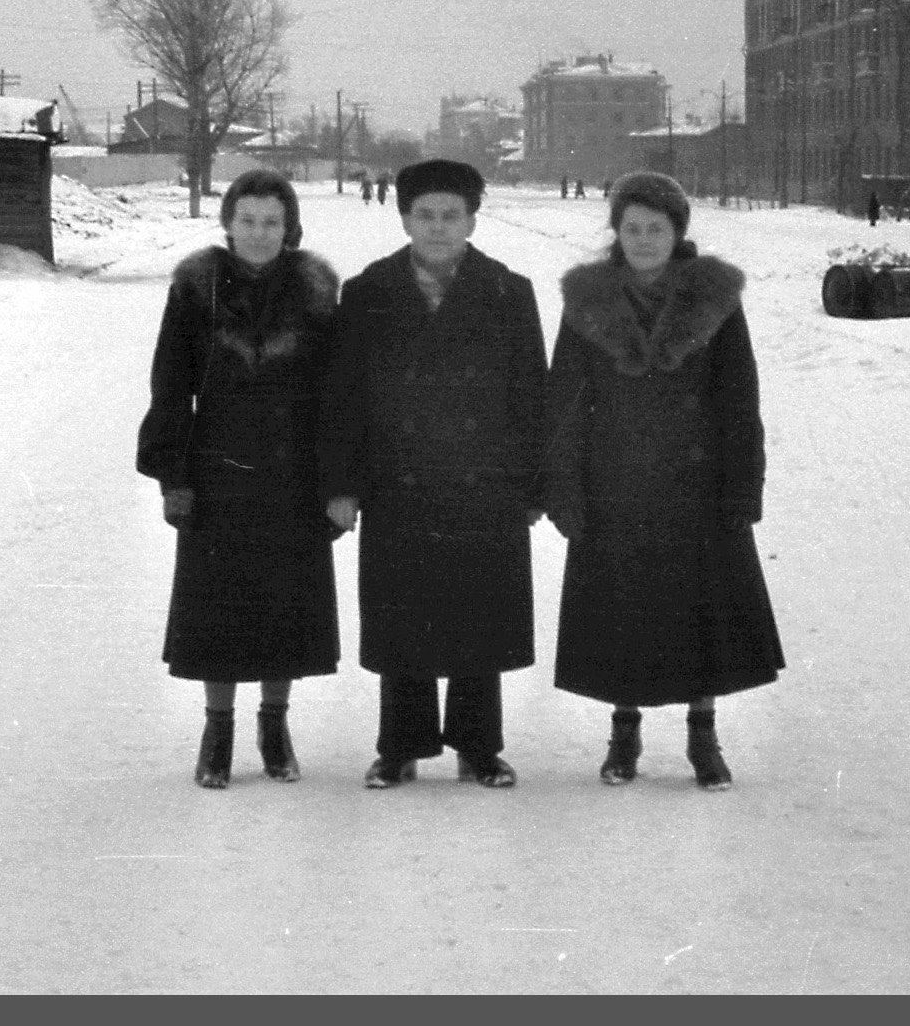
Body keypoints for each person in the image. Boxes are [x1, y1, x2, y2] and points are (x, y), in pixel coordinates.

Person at [545, 171, 782, 790]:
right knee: (623, 611)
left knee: (700, 613)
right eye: (632, 228)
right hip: (614, 486)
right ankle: (624, 735)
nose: (644, 239)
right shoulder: (587, 302)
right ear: (615, 232)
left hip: (697, 486)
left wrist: (742, 487)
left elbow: (739, 400)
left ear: (678, 232)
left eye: (657, 228)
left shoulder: (716, 301)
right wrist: (564, 490)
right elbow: (563, 403)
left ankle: (703, 738)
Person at [322, 159, 547, 790]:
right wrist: (342, 484)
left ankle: (479, 747)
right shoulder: (368, 292)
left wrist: (533, 485)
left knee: (480, 615)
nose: (439, 227)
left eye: (452, 215)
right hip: (401, 482)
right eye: (426, 215)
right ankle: (401, 745)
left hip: (484, 484)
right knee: (404, 616)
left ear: (474, 218)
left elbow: (532, 395)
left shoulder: (509, 290)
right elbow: (344, 397)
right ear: (404, 219)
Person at [136, 169, 342, 788]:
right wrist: (174, 475)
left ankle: (274, 725)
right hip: (217, 471)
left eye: (271, 222)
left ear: (290, 227)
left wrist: (335, 483)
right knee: (216, 610)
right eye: (248, 220)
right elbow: (170, 386)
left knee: (284, 606)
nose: (259, 233)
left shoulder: (315, 294)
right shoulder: (195, 290)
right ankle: (217, 730)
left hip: (291, 474)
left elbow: (334, 395)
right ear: (227, 225)